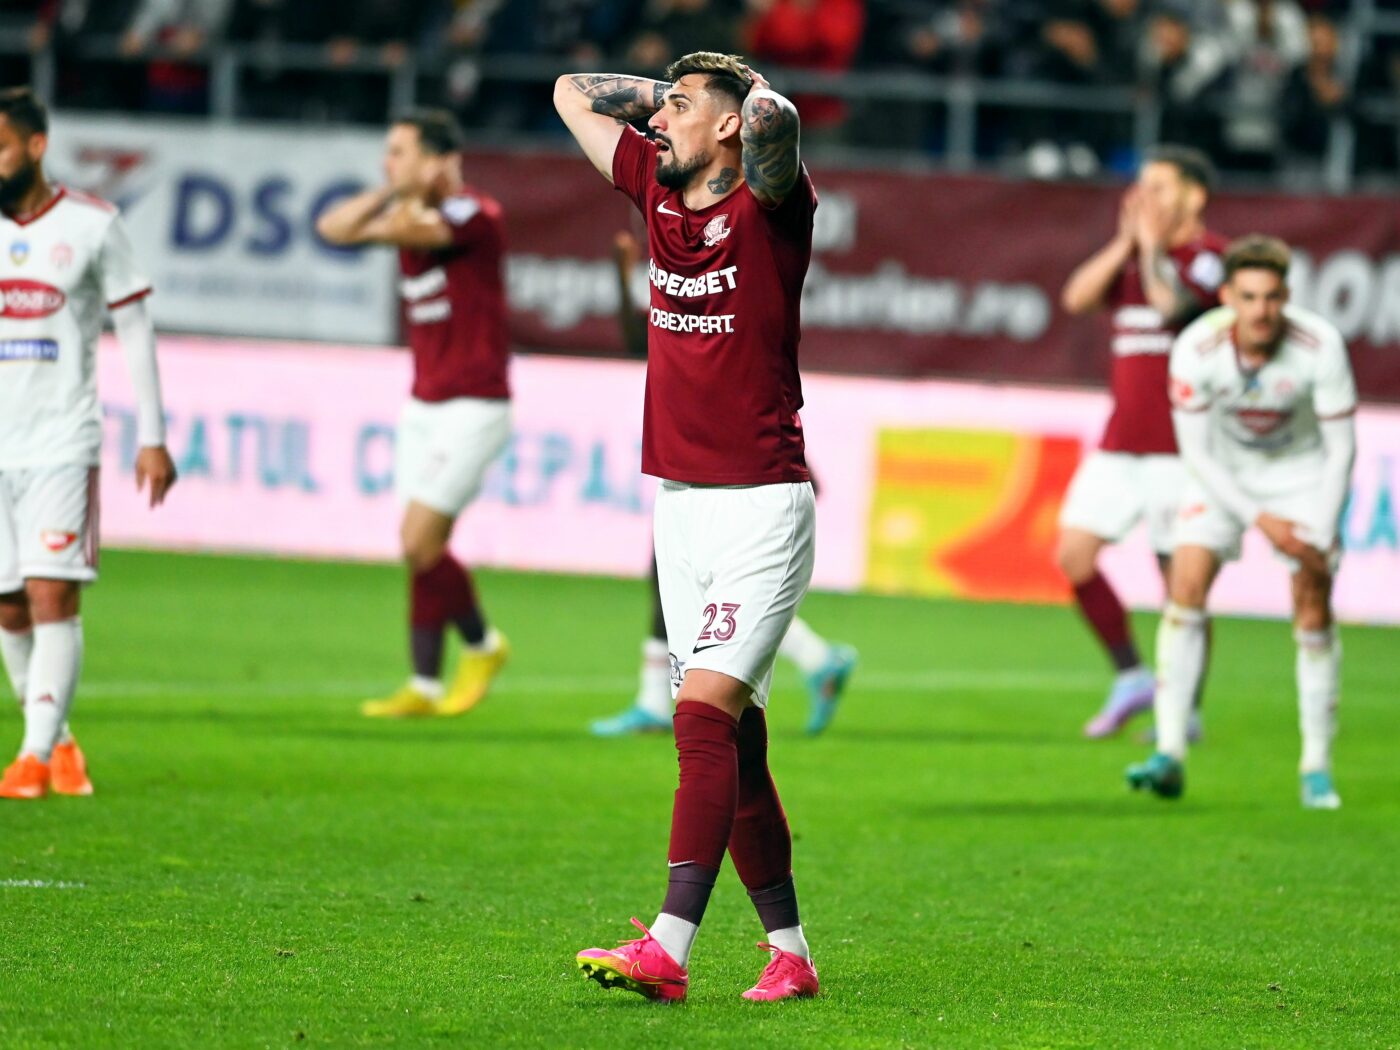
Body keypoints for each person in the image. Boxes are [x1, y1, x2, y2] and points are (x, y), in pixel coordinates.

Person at [554, 51, 821, 1003]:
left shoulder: (771, 207)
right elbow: (570, 95)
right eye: (657, 109)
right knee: (737, 746)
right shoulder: (655, 192)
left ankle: (666, 949)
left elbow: (778, 128)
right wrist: (664, 96)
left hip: (761, 505)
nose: (655, 123)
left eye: (678, 108)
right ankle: (791, 954)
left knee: (701, 717)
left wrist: (744, 99)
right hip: (681, 509)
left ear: (727, 127)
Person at [593, 229, 856, 739]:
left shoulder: (740, 273)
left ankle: (662, 698)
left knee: (711, 589)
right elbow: (639, 341)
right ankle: (816, 660)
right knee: (680, 581)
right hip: (701, 457)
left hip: (745, 460)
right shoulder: (683, 284)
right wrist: (623, 276)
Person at [1127, 235, 1356, 810]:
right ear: (1227, 296)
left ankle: (1316, 766)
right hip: (1222, 474)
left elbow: (1341, 449)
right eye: (1249, 297)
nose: (1261, 311)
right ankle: (1170, 752)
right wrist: (1261, 520)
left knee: (1312, 605)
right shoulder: (1195, 349)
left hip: (1302, 476)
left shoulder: (1320, 345)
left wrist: (1321, 529)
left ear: (1287, 297)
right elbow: (1197, 455)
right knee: (1185, 588)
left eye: (1272, 297)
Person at [0, 87, 177, 800]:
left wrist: (153, 436)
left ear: (35, 146)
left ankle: (32, 757)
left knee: (52, 593)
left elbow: (134, 327)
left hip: (61, 440)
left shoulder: (93, 224)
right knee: (8, 607)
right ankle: (62, 741)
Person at [316, 110, 511, 720]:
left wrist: (398, 207)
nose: (389, 162)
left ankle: (483, 645)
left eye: (400, 152)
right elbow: (332, 227)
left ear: (438, 160)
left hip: (475, 405)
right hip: (422, 405)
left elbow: (393, 231)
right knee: (422, 550)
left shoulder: (476, 214)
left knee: (417, 539)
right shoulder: (407, 212)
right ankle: (424, 685)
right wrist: (391, 192)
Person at [1058, 145, 1227, 739]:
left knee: (1181, 583)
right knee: (1074, 556)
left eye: (1159, 187)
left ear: (1194, 196)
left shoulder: (1211, 260)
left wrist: (1151, 249)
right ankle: (1132, 676)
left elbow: (1172, 307)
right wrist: (1125, 244)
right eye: (1141, 186)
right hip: (1120, 443)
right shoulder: (1129, 258)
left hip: (1181, 451)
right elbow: (1076, 298)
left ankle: (1187, 709)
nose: (1143, 197)